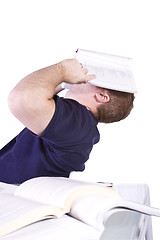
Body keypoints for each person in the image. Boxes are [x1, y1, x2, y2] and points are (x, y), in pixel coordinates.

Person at [0, 59, 134, 184]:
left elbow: (21, 99)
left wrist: (62, 70)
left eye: (91, 79)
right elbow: (40, 92)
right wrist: (64, 81)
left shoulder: (77, 122)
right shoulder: (78, 122)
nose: (84, 76)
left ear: (102, 96)